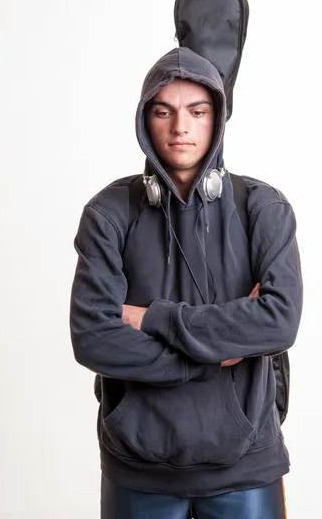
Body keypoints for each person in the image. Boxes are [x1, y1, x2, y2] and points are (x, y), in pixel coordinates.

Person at [70, 47, 303, 519]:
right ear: (144, 120)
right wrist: (213, 354)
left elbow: (277, 322)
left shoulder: (263, 208)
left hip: (246, 467)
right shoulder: (108, 214)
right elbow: (93, 338)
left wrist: (152, 318)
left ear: (216, 119)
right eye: (164, 111)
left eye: (197, 112)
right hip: (138, 469)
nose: (180, 127)